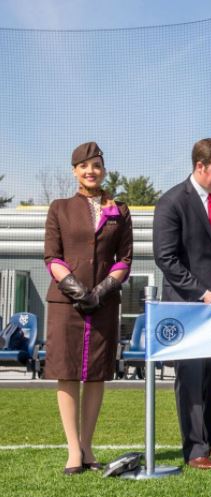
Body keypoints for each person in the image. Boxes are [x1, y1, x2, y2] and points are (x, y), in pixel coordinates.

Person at [152, 138, 211, 470]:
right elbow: (166, 259)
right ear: (200, 167)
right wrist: (201, 292)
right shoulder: (172, 202)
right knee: (190, 379)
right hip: (187, 308)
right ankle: (194, 450)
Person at [44, 142, 133, 475]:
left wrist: (101, 291)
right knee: (67, 374)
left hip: (104, 303)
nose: (90, 171)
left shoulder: (120, 210)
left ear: (103, 170)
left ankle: (87, 446)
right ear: (74, 171)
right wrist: (78, 291)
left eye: (96, 165)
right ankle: (72, 450)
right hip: (66, 304)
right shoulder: (60, 208)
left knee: (96, 374)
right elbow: (52, 256)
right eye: (84, 166)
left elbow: (124, 260)